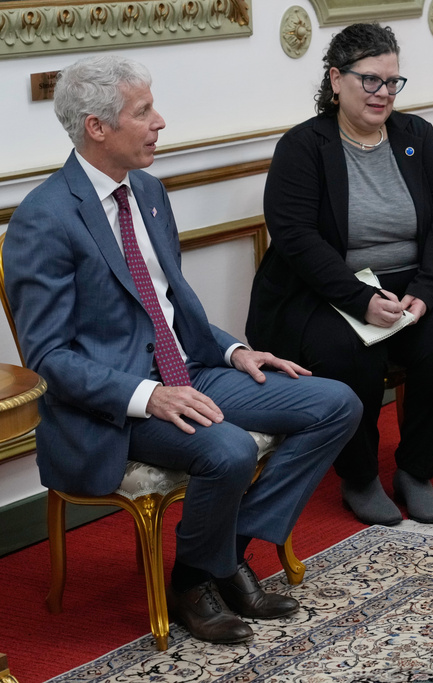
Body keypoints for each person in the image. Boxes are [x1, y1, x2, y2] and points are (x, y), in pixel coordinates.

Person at [3, 55, 363, 644]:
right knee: (226, 450)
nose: (160, 122)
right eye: (143, 112)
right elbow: (48, 359)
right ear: (97, 127)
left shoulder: (145, 190)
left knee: (335, 404)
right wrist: (148, 395)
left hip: (190, 369)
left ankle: (210, 562)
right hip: (114, 406)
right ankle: (206, 578)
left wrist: (233, 352)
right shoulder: (43, 220)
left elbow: (170, 307)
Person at [246, 23, 433, 527]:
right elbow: (295, 237)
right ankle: (359, 477)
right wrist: (358, 298)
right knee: (347, 352)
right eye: (370, 80)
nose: (383, 94)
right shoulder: (304, 146)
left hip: (410, 280)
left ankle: (415, 470)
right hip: (323, 290)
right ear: (335, 79)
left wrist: (425, 290)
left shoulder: (415, 135)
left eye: (393, 82)